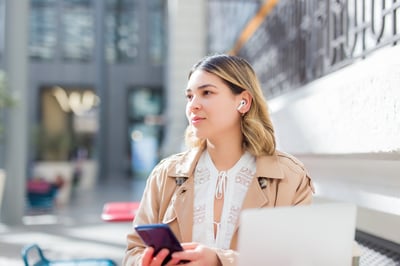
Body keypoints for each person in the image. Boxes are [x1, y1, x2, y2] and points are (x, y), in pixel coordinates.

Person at [123, 54, 314, 266]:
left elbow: (300, 259)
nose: (193, 105)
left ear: (243, 101)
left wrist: (220, 261)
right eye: (189, 96)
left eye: (206, 93)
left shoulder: (290, 178)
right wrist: (145, 262)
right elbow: (134, 251)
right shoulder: (165, 174)